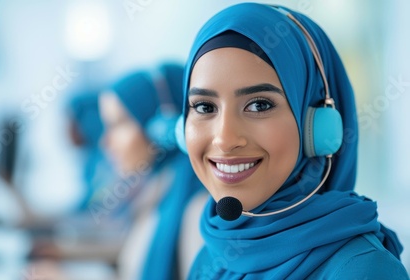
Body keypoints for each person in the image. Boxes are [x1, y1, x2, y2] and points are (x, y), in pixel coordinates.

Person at [175, 3, 409, 279]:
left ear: (317, 125)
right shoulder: (211, 257)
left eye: (259, 105)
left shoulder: (361, 269)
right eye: (204, 107)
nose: (225, 140)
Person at [99, 62, 205, 279]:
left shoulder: (198, 210)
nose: (106, 142)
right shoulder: (161, 191)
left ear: (161, 126)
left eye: (118, 124)